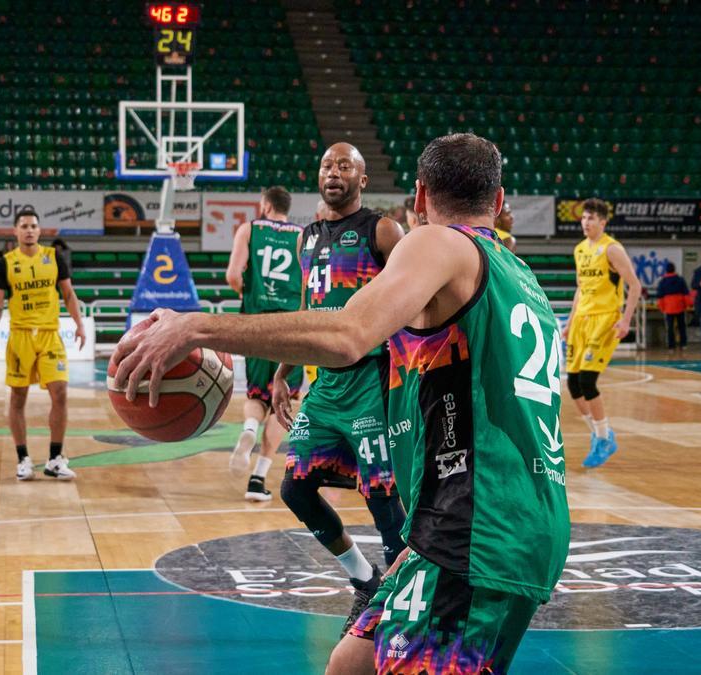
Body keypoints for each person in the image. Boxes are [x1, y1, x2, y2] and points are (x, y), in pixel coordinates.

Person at [112, 133, 569, 674]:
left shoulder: (434, 243)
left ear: (420, 198)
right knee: (347, 665)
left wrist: (195, 326)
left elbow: (350, 332)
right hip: (501, 517)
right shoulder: (523, 278)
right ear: (498, 202)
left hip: (478, 529)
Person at [266, 143, 407, 631]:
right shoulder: (306, 238)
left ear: (362, 179)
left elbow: (416, 297)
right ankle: (365, 580)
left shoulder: (383, 230)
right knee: (294, 488)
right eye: (328, 165)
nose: (334, 172)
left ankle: (401, 598)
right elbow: (310, 313)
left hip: (373, 378)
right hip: (324, 384)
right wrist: (282, 373)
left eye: (345, 165)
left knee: (382, 494)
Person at [0, 208, 87, 481]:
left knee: (61, 393)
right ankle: (23, 459)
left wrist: (79, 324)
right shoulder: (5, 263)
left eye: (33, 225)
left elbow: (68, 293)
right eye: (24, 226)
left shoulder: (54, 257)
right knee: (18, 398)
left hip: (49, 334)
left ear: (40, 230)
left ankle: (55, 458)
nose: (29, 230)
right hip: (20, 336)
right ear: (15, 231)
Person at [223, 186, 305, 501]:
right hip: (290, 326)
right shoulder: (302, 235)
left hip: (257, 323)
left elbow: (233, 275)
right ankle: (258, 478)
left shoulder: (249, 228)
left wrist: (251, 297)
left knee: (257, 395)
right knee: (282, 402)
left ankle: (247, 429)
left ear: (266, 206)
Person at [566, 198, 642, 468]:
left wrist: (625, 320)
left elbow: (634, 285)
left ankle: (602, 437)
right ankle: (601, 434)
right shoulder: (579, 249)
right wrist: (570, 321)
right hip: (581, 321)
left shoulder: (612, 249)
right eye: (584, 218)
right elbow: (580, 288)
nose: (585, 223)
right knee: (573, 384)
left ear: (603, 222)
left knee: (588, 381)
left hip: (604, 320)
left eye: (591, 219)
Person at [656, 261, 689, 353]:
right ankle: (683, 344)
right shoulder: (680, 279)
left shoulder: (663, 281)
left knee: (670, 328)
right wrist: (687, 305)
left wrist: (662, 308)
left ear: (666, 270)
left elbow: (660, 296)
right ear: (674, 269)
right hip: (680, 306)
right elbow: (686, 293)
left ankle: (671, 346)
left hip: (668, 307)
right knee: (681, 326)